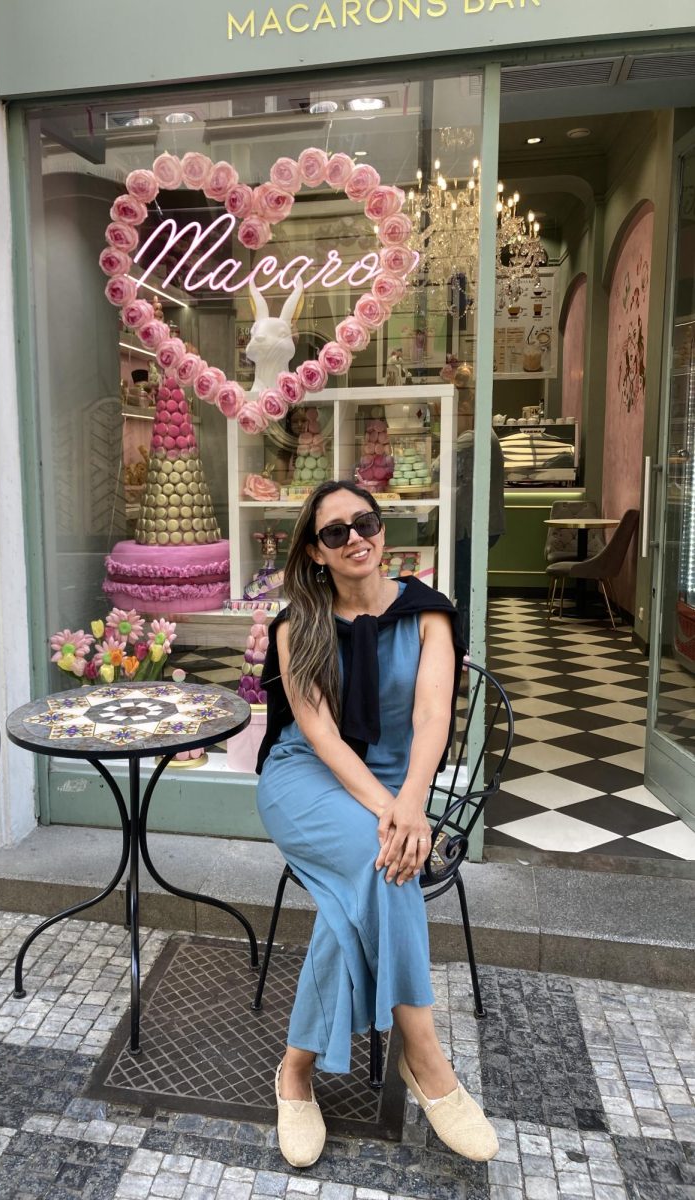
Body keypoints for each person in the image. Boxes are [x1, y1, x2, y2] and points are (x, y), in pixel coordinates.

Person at [255, 479, 499, 1169]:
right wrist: (393, 814)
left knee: (361, 889)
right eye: (336, 532)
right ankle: (426, 1059)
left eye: (366, 522)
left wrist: (412, 802)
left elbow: (432, 718)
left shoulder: (430, 615)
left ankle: (295, 1072)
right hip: (305, 781)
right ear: (316, 551)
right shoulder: (294, 625)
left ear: (382, 529)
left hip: (400, 785)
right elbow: (322, 738)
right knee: (385, 857)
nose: (356, 538)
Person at [452, 391, 506, 644]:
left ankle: (464, 652)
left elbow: (437, 468)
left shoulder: (471, 438)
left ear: (466, 408)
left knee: (464, 590)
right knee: (468, 587)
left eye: (456, 411)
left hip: (472, 528)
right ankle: (469, 647)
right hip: (485, 524)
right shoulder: (489, 434)